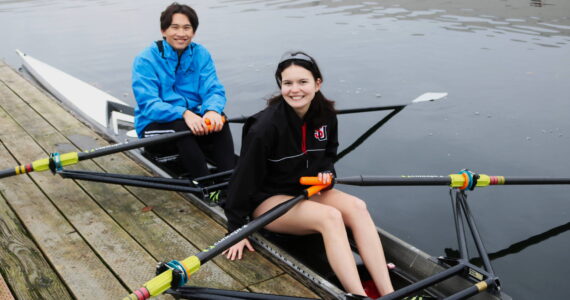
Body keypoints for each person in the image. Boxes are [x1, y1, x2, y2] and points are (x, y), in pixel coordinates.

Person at [222, 51, 394, 297]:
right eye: (287, 83)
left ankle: (388, 292)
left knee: (357, 206)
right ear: (280, 85)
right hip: (267, 200)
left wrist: (326, 172)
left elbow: (328, 156)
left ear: (317, 83)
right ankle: (359, 296)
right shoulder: (264, 128)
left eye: (303, 82)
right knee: (331, 218)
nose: (295, 90)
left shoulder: (326, 116)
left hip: (304, 191)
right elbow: (242, 180)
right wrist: (236, 229)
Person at [132, 2, 235, 179]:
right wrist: (184, 113)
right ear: (164, 31)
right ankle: (205, 188)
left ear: (193, 32)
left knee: (220, 120)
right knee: (180, 125)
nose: (181, 34)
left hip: (192, 123)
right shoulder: (146, 59)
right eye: (175, 27)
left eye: (187, 28)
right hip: (154, 126)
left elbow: (214, 89)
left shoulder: (201, 54)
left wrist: (212, 111)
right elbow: (149, 105)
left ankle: (231, 181)